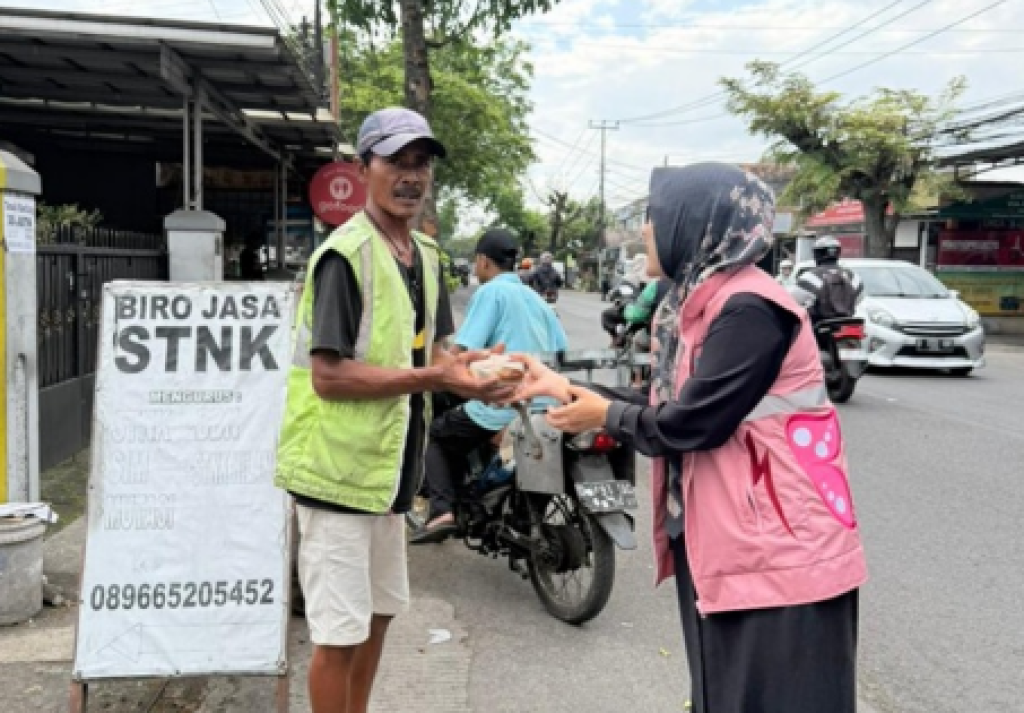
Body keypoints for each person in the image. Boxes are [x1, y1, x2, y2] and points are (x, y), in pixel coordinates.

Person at [510, 162, 868, 713]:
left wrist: (603, 416)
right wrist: (562, 388)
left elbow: (690, 425)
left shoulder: (751, 308)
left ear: (695, 221)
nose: (647, 229)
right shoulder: (694, 304)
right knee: (723, 695)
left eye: (657, 216)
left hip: (781, 552)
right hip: (726, 538)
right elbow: (669, 408)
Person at [274, 106, 515, 713]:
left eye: (421, 163)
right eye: (396, 162)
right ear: (364, 169)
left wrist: (472, 370)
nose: (411, 176)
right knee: (337, 635)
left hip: (389, 479)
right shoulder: (344, 256)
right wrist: (435, 375)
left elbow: (436, 353)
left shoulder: (427, 256)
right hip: (336, 477)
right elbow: (328, 377)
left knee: (379, 618)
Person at [411, 228, 567, 543]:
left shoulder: (491, 292)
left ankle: (441, 510)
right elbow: (561, 349)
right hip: (547, 400)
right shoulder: (535, 298)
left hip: (505, 400)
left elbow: (456, 355)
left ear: (482, 261)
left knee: (438, 434)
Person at [788, 236, 864, 323]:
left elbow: (793, 300)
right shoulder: (854, 276)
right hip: (848, 322)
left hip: (819, 325)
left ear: (816, 253)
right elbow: (859, 299)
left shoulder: (809, 277)